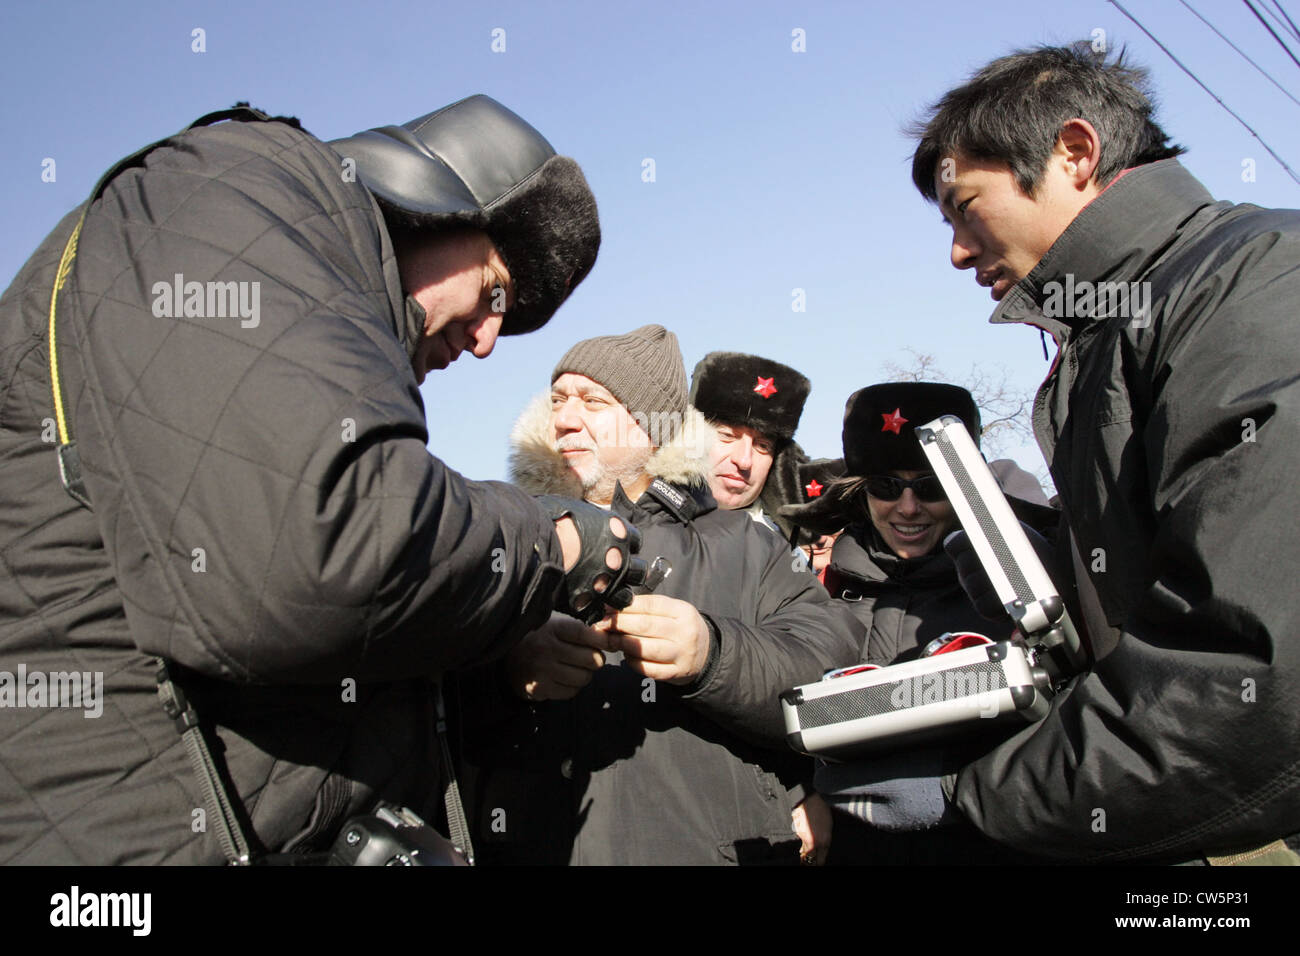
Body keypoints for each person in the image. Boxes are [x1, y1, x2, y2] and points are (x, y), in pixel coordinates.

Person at [0, 95, 633, 863]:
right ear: (431, 202)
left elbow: (318, 648)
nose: (487, 340)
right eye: (495, 293)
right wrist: (554, 540)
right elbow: (321, 558)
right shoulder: (232, 184)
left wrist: (500, 670)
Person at [907, 42, 1300, 863]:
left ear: (1074, 153)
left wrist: (967, 799)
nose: (955, 252)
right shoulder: (1114, 331)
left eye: (966, 208)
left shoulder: (1258, 286)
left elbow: (1249, 681)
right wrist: (1058, 575)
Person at [451, 324, 863, 865]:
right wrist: (508, 672)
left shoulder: (747, 545)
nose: (565, 418)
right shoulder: (501, 534)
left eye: (593, 400)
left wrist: (713, 654)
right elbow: (422, 697)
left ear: (651, 427)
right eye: (557, 399)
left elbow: (831, 671)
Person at [780, 383, 1050, 863]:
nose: (907, 507)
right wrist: (800, 789)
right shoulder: (815, 592)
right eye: (886, 486)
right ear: (862, 493)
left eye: (929, 488)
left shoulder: (1020, 586)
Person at [689, 351, 812, 546]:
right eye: (727, 436)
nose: (745, 460)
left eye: (762, 446)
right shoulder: (638, 524)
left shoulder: (786, 557)